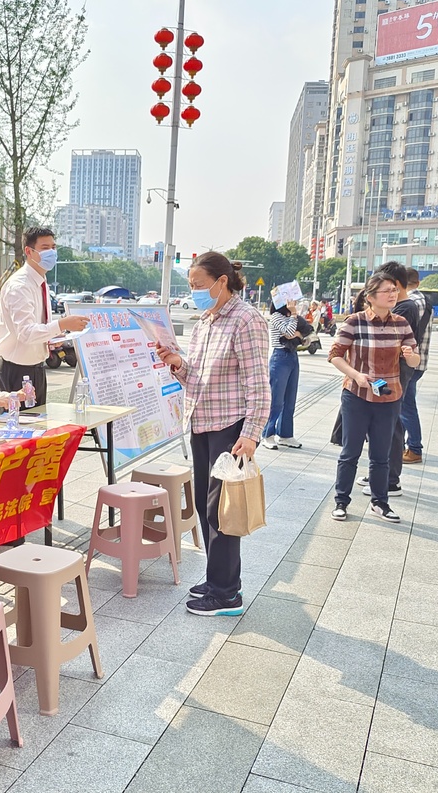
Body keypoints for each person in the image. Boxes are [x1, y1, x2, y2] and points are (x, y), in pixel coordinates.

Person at [155, 251, 270, 616]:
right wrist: (177, 365)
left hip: (230, 427)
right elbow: (199, 378)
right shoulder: (206, 321)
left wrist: (251, 434)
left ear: (222, 282)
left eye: (199, 285)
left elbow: (259, 385)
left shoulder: (246, 320)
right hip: (202, 423)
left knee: (223, 511)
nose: (194, 292)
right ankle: (216, 577)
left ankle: (226, 592)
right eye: (190, 286)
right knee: (209, 508)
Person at [328, 273, 419, 524]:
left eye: (394, 290)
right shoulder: (354, 322)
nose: (392, 295)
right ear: (370, 298)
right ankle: (341, 501)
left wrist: (410, 354)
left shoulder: (401, 323)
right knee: (350, 452)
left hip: (390, 396)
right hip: (357, 395)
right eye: (386, 291)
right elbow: (335, 354)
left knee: (382, 454)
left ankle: (380, 502)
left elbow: (415, 359)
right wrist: (356, 375)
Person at [0, 226, 89, 405]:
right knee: (20, 428)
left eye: (54, 247)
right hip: (16, 369)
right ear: (29, 251)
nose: (52, 253)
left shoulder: (40, 281)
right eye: (45, 248)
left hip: (36, 367)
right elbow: (27, 333)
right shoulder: (20, 286)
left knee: (38, 426)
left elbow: (37, 327)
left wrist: (53, 336)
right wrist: (61, 324)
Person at [370, 262, 420, 496]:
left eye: (386, 286)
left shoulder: (405, 309)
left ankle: (390, 479)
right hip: (388, 373)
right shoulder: (402, 307)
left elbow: (381, 333)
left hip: (396, 374)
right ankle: (381, 474)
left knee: (391, 425)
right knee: (384, 423)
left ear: (397, 285)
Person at [260, 299, 309, 450]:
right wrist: (294, 315)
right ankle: (267, 434)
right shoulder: (276, 316)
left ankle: (285, 434)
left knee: (290, 399)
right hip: (280, 357)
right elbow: (289, 333)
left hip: (293, 356)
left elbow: (304, 334)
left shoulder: (289, 317)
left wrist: (296, 330)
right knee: (276, 400)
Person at [401, 268, 432, 464]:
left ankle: (414, 448)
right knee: (404, 405)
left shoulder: (410, 303)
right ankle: (401, 445)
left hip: (409, 361)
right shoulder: (425, 300)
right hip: (420, 360)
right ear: (417, 282)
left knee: (406, 406)